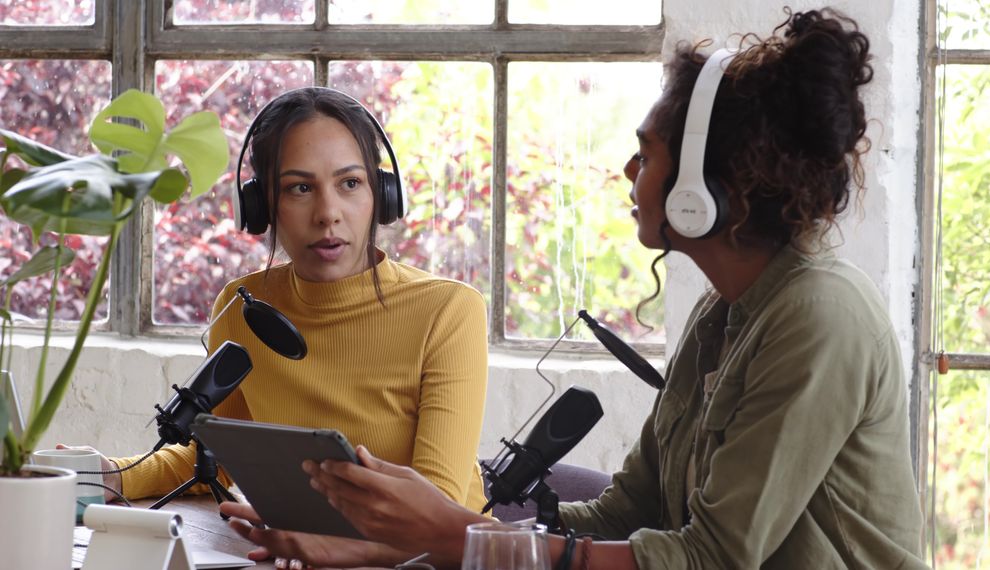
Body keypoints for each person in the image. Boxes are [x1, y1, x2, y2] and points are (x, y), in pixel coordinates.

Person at [222, 9, 929, 569]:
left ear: (703, 187)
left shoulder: (819, 315)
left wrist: (453, 537)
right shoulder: (727, 315)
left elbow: (712, 556)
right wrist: (421, 537)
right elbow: (631, 513)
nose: (628, 169)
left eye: (646, 154)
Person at [89, 87, 491, 515]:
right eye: (300, 188)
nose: (327, 213)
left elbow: (437, 505)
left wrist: (313, 537)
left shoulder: (448, 311)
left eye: (350, 183)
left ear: (382, 195)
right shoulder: (246, 306)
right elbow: (216, 457)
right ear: (262, 205)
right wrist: (111, 475)